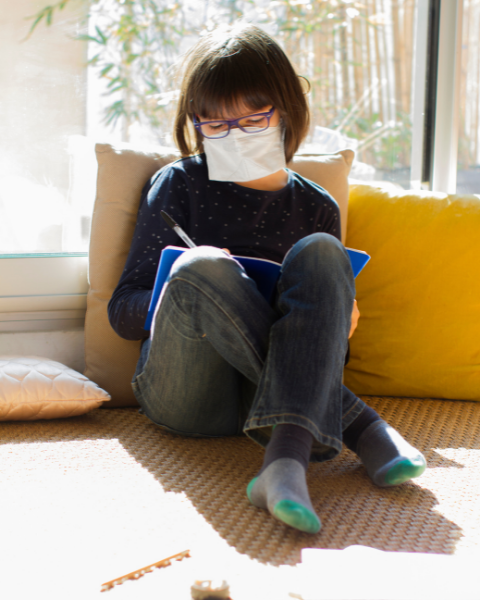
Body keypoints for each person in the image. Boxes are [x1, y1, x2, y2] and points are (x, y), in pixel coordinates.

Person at [108, 23, 426, 534]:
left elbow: (321, 355)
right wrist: (193, 289)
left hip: (280, 398)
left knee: (325, 253)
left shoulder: (315, 205)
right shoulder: (179, 185)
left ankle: (285, 461)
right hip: (188, 394)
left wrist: (340, 317)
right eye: (214, 125)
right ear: (196, 124)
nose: (233, 135)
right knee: (201, 267)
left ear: (287, 111)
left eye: (253, 118)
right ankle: (362, 425)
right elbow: (121, 311)